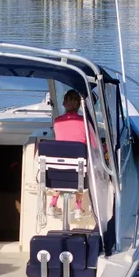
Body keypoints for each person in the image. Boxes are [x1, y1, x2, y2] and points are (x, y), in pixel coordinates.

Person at [50, 89, 88, 220]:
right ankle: (78, 207)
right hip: (77, 171)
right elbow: (91, 144)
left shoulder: (57, 122)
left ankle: (53, 203)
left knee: (60, 165)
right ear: (79, 105)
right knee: (82, 168)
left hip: (59, 171)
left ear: (64, 104)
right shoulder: (85, 122)